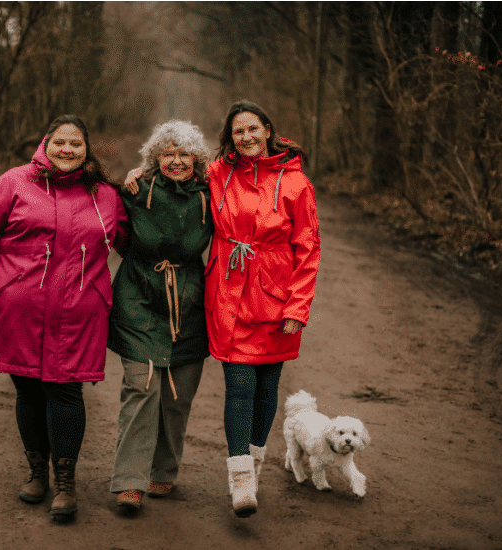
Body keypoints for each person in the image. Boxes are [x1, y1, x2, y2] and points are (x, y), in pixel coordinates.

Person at [0, 114, 128, 522]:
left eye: (76, 143)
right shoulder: (14, 183)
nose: (67, 150)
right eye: (60, 142)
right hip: (18, 310)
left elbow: (134, 244)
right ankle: (37, 472)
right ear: (46, 144)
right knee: (30, 392)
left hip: (78, 313)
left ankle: (66, 483)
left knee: (66, 392)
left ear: (86, 149)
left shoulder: (106, 195)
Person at [205, 100, 320, 517]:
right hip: (228, 295)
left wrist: (297, 308)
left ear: (268, 130)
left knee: (267, 388)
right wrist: (135, 176)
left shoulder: (296, 184)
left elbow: (308, 250)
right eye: (238, 132)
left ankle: (253, 464)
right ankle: (240, 478)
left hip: (276, 298)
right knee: (239, 386)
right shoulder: (217, 172)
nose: (247, 137)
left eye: (253, 129)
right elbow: (172, 172)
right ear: (229, 138)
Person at [107, 120, 214, 511]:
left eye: (184, 153)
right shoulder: (135, 190)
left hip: (189, 301)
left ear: (197, 159)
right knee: (142, 386)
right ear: (155, 158)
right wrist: (130, 177)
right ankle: (129, 480)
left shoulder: (210, 193)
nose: (176, 161)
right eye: (167, 153)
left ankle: (163, 472)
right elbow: (108, 218)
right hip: (139, 295)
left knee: (177, 394)